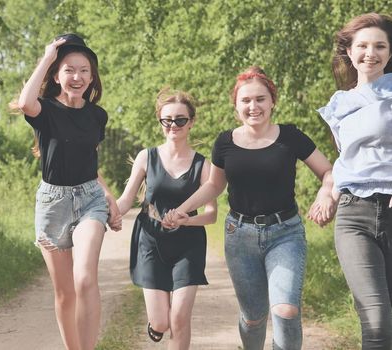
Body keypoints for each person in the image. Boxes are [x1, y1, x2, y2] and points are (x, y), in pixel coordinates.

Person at [162, 66, 335, 350]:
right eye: (246, 101)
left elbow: (327, 171)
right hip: (239, 235)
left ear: (272, 102)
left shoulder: (290, 137)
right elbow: (214, 186)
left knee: (286, 310)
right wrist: (184, 209)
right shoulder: (225, 142)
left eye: (260, 99)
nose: (253, 106)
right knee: (254, 318)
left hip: (285, 233)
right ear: (236, 105)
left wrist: (326, 195)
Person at [17, 33, 122, 350]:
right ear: (57, 75)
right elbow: (24, 102)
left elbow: (89, 160)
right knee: (64, 292)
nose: (77, 77)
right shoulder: (45, 110)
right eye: (69, 69)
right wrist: (48, 55)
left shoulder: (97, 115)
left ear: (92, 77)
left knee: (85, 277)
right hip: (52, 204)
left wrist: (108, 196)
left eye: (84, 71)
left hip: (90, 198)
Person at [116, 88, 217, 349]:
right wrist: (106, 211)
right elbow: (126, 200)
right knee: (162, 322)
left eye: (180, 120)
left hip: (189, 243)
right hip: (150, 240)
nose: (174, 125)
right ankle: (156, 325)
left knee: (180, 317)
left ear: (191, 122)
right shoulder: (146, 157)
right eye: (167, 120)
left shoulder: (203, 166)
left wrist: (186, 220)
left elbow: (211, 214)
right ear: (161, 121)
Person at [317, 13, 392, 349]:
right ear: (349, 50)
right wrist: (329, 191)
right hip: (353, 215)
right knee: (376, 320)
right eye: (362, 45)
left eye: (380, 45)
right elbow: (350, 157)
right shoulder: (340, 104)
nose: (370, 53)